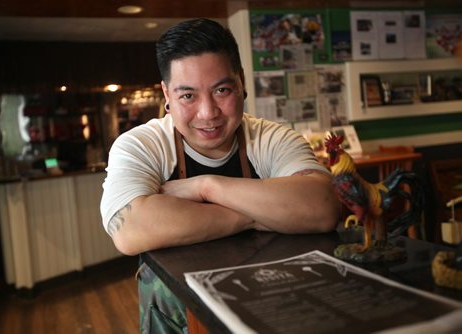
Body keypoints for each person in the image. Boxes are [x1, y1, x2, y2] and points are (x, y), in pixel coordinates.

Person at [100, 18, 340, 333]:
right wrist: (255, 215)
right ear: (167, 94)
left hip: (271, 305)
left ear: (241, 84)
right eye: (188, 96)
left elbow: (322, 207)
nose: (208, 112)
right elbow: (130, 230)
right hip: (176, 319)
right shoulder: (141, 146)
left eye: (222, 90)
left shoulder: (271, 139)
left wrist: (206, 186)